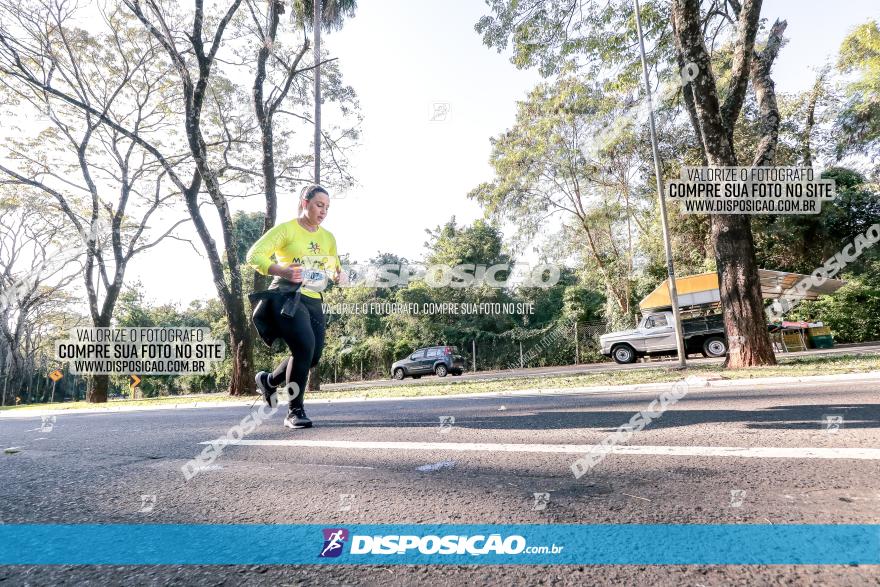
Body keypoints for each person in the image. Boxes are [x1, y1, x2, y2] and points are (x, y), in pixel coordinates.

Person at [245, 184, 344, 429]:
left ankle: (270, 380)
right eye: (319, 205)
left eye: (327, 207)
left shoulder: (327, 237)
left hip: (313, 298)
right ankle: (294, 411)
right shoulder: (286, 230)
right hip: (287, 296)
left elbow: (334, 265)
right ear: (305, 203)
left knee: (312, 356)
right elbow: (254, 255)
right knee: (303, 348)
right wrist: (282, 269)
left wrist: (337, 275)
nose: (323, 211)